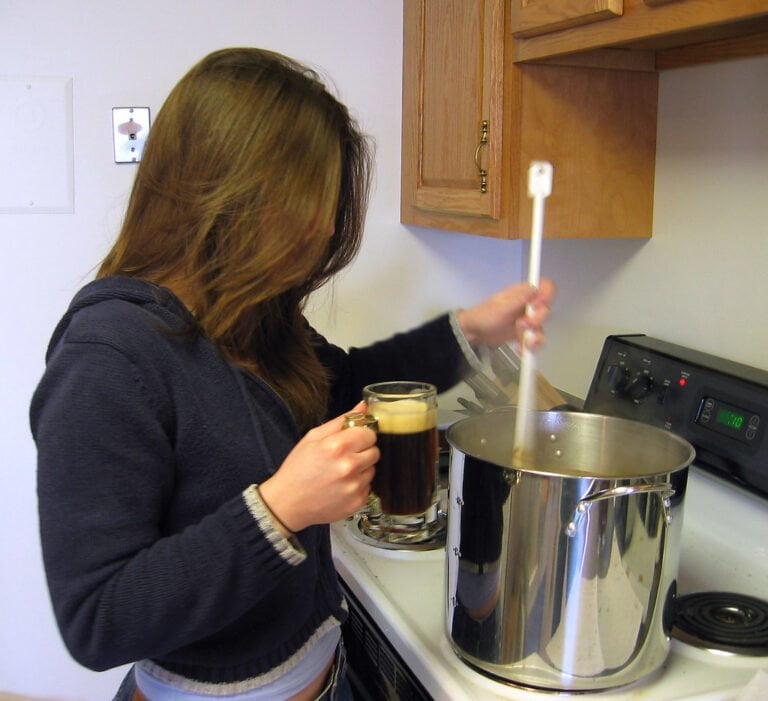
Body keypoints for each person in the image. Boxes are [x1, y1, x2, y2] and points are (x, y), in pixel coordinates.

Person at [30, 48, 555, 701]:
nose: (328, 224)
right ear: (232, 191)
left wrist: (472, 329)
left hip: (323, 669)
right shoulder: (108, 361)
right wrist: (279, 510)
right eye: (313, 199)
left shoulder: (248, 316)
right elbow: (98, 619)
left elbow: (344, 384)